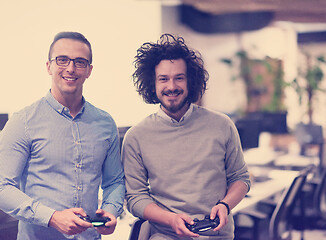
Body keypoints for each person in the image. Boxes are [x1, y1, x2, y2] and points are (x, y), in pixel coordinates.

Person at [122, 34, 251, 239]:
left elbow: (240, 178)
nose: (171, 86)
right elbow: (135, 199)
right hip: (165, 236)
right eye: (163, 79)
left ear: (190, 80)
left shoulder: (222, 125)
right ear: (152, 83)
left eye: (179, 78)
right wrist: (170, 219)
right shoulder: (136, 137)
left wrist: (225, 205)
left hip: (217, 235)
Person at [0, 31, 125, 239]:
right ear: (49, 66)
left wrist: (111, 210)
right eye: (62, 60)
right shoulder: (23, 121)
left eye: (80, 62)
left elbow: (115, 182)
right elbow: (2, 188)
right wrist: (52, 217)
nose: (70, 68)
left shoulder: (105, 123)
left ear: (89, 70)